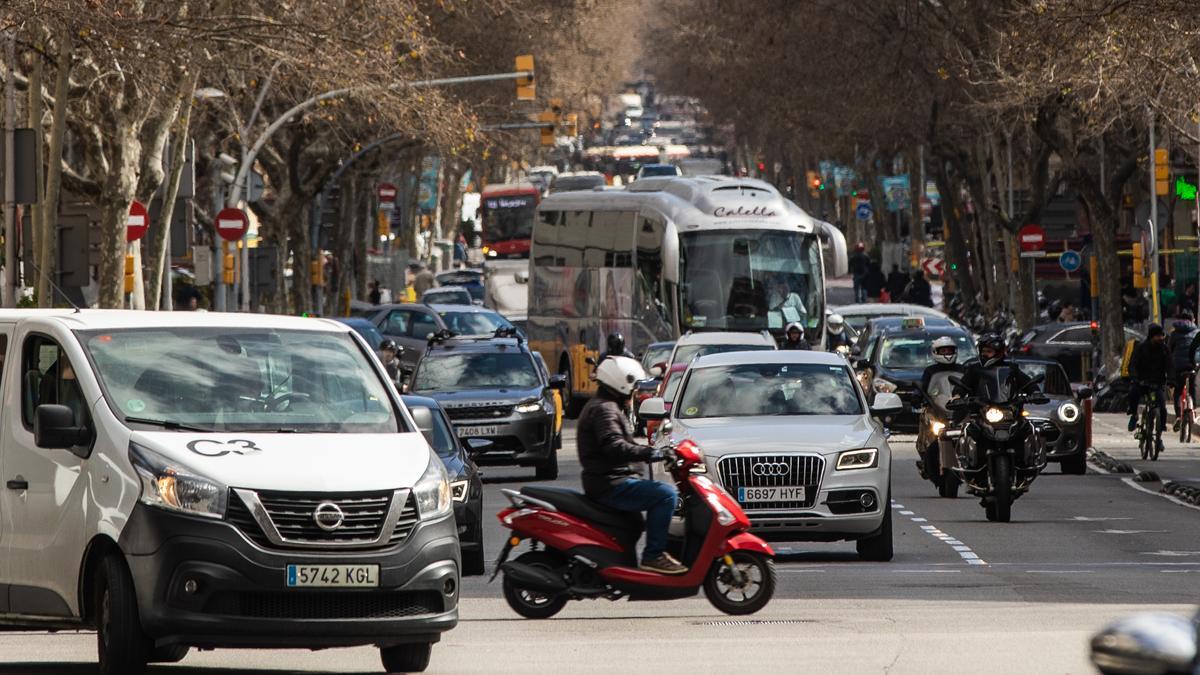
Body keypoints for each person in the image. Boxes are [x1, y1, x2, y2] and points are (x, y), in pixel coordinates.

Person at [577, 356, 684, 575]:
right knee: (666, 495)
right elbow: (614, 446)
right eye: (633, 389)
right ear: (620, 384)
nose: (634, 394)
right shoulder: (604, 410)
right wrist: (651, 452)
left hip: (611, 480)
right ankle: (653, 556)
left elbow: (622, 444)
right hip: (611, 483)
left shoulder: (606, 406)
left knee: (635, 523)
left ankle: (626, 567)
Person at [956, 334, 1033, 422]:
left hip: (1009, 412)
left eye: (988, 351)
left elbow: (1027, 383)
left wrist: (1035, 392)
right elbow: (963, 385)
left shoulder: (1011, 369)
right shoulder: (974, 369)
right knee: (964, 429)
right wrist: (957, 396)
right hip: (980, 414)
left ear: (999, 353)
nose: (984, 354)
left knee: (1028, 427)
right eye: (983, 351)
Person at [1127, 324, 1172, 443]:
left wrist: (1172, 380)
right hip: (1142, 382)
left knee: (1162, 407)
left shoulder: (1164, 349)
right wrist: (1135, 378)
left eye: (1162, 335)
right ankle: (1134, 415)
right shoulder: (1141, 348)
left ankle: (1159, 433)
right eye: (1158, 336)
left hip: (1158, 383)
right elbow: (1133, 365)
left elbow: (1170, 366)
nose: (1161, 338)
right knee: (1133, 393)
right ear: (1152, 336)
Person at [1168, 313, 1197, 429]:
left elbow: (1169, 350)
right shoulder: (1196, 332)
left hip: (1178, 366)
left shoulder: (1174, 333)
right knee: (1193, 386)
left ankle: (1178, 417)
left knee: (1178, 390)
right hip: (1193, 364)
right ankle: (1193, 408)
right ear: (1192, 320)